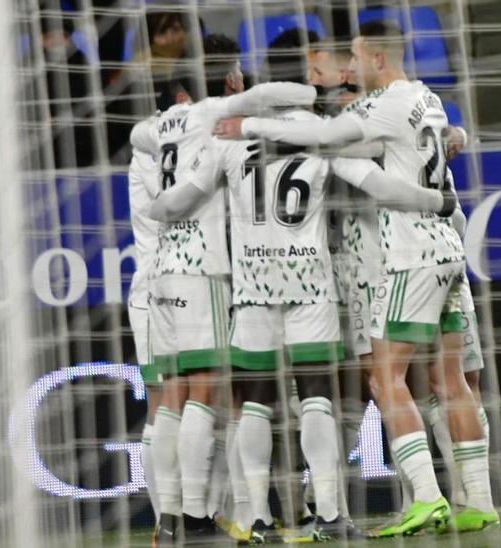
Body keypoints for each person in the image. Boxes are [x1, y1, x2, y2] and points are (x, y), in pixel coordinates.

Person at [213, 20, 499, 536]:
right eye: (326, 65)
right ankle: (468, 499)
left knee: (355, 385)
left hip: (362, 267)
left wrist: (250, 126)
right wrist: (448, 172)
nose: (344, 67)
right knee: (442, 382)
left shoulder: (354, 116)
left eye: (349, 60)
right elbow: (398, 162)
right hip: (427, 253)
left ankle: (415, 499)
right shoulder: (426, 100)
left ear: (376, 61)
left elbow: (349, 157)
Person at [143, 33, 319, 546]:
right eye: (237, 71)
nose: (244, 77)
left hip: (163, 271)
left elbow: (137, 139)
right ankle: (197, 516)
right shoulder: (211, 119)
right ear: (226, 80)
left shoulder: (162, 126)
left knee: (173, 397)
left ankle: (171, 516)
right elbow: (281, 96)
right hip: (204, 269)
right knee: (206, 392)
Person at [126, 111, 163, 526]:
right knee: (163, 406)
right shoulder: (149, 145)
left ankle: (211, 513)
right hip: (156, 292)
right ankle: (164, 518)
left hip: (197, 286)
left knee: (214, 403)